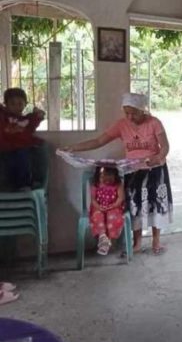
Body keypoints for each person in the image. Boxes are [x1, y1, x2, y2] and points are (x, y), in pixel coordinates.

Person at [64, 93, 172, 255]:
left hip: (155, 170)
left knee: (156, 204)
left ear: (142, 110)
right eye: (126, 113)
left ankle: (156, 241)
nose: (130, 117)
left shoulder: (154, 123)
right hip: (133, 170)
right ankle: (137, 243)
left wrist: (158, 158)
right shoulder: (121, 125)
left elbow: (165, 146)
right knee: (135, 206)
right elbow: (99, 141)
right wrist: (73, 148)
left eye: (134, 113)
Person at [0, 88, 45, 190]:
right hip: (4, 149)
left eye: (20, 103)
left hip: (21, 150)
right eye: (12, 103)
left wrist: (38, 113)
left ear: (25, 104)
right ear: (6, 105)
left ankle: (24, 184)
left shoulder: (27, 120)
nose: (16, 106)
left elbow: (38, 117)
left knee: (25, 158)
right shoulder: (3, 118)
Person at [90, 165, 125, 255]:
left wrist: (113, 206)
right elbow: (93, 200)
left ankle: (108, 240)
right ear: (98, 175)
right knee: (97, 216)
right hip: (98, 207)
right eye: (102, 177)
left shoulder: (118, 184)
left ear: (115, 175)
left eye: (109, 177)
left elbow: (120, 198)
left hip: (114, 207)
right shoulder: (96, 184)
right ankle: (102, 237)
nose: (106, 180)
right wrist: (98, 207)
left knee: (112, 216)